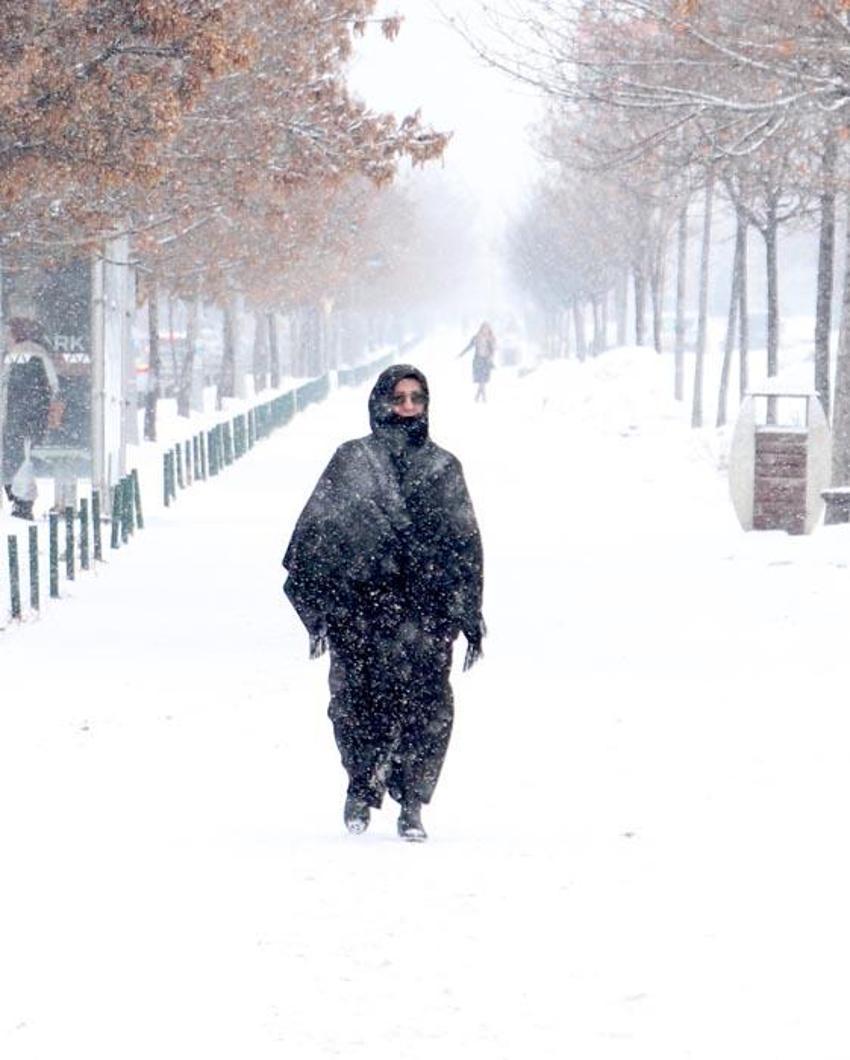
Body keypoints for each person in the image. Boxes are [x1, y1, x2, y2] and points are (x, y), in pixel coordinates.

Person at [282, 364, 485, 842]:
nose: (409, 407)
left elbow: (464, 540)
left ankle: (412, 800)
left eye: (417, 398)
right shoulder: (352, 460)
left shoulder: (443, 467)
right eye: (400, 398)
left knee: (426, 707)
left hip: (425, 609)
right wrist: (336, 584)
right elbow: (319, 529)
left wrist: (464, 605)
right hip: (363, 610)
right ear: (381, 402)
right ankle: (361, 783)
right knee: (357, 701)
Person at [1, 318, 59, 519]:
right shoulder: (37, 354)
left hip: (18, 419)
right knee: (22, 460)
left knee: (18, 460)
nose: (5, 337)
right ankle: (22, 501)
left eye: (8, 333)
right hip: (26, 419)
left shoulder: (20, 355)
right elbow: (52, 386)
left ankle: (21, 502)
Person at [459, 321, 496, 403]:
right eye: (484, 328)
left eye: (487, 329)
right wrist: (461, 354)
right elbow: (469, 346)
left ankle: (478, 396)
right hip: (478, 360)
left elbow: (493, 350)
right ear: (481, 329)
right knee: (480, 379)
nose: (485, 330)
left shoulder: (491, 339)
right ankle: (482, 397)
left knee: (483, 379)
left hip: (486, 361)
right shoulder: (476, 338)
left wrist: (491, 358)